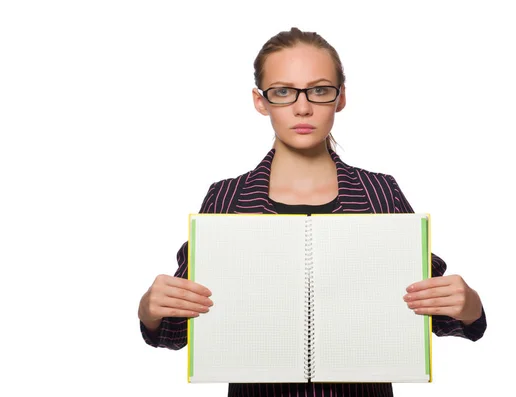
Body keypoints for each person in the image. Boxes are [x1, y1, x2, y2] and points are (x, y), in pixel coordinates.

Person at [138, 27, 487, 397]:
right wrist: (151, 308)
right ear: (261, 101)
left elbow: (433, 310)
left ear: (340, 99)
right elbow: (179, 331)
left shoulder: (380, 193)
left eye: (319, 90)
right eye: (284, 92)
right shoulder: (227, 198)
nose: (302, 107)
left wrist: (469, 306)